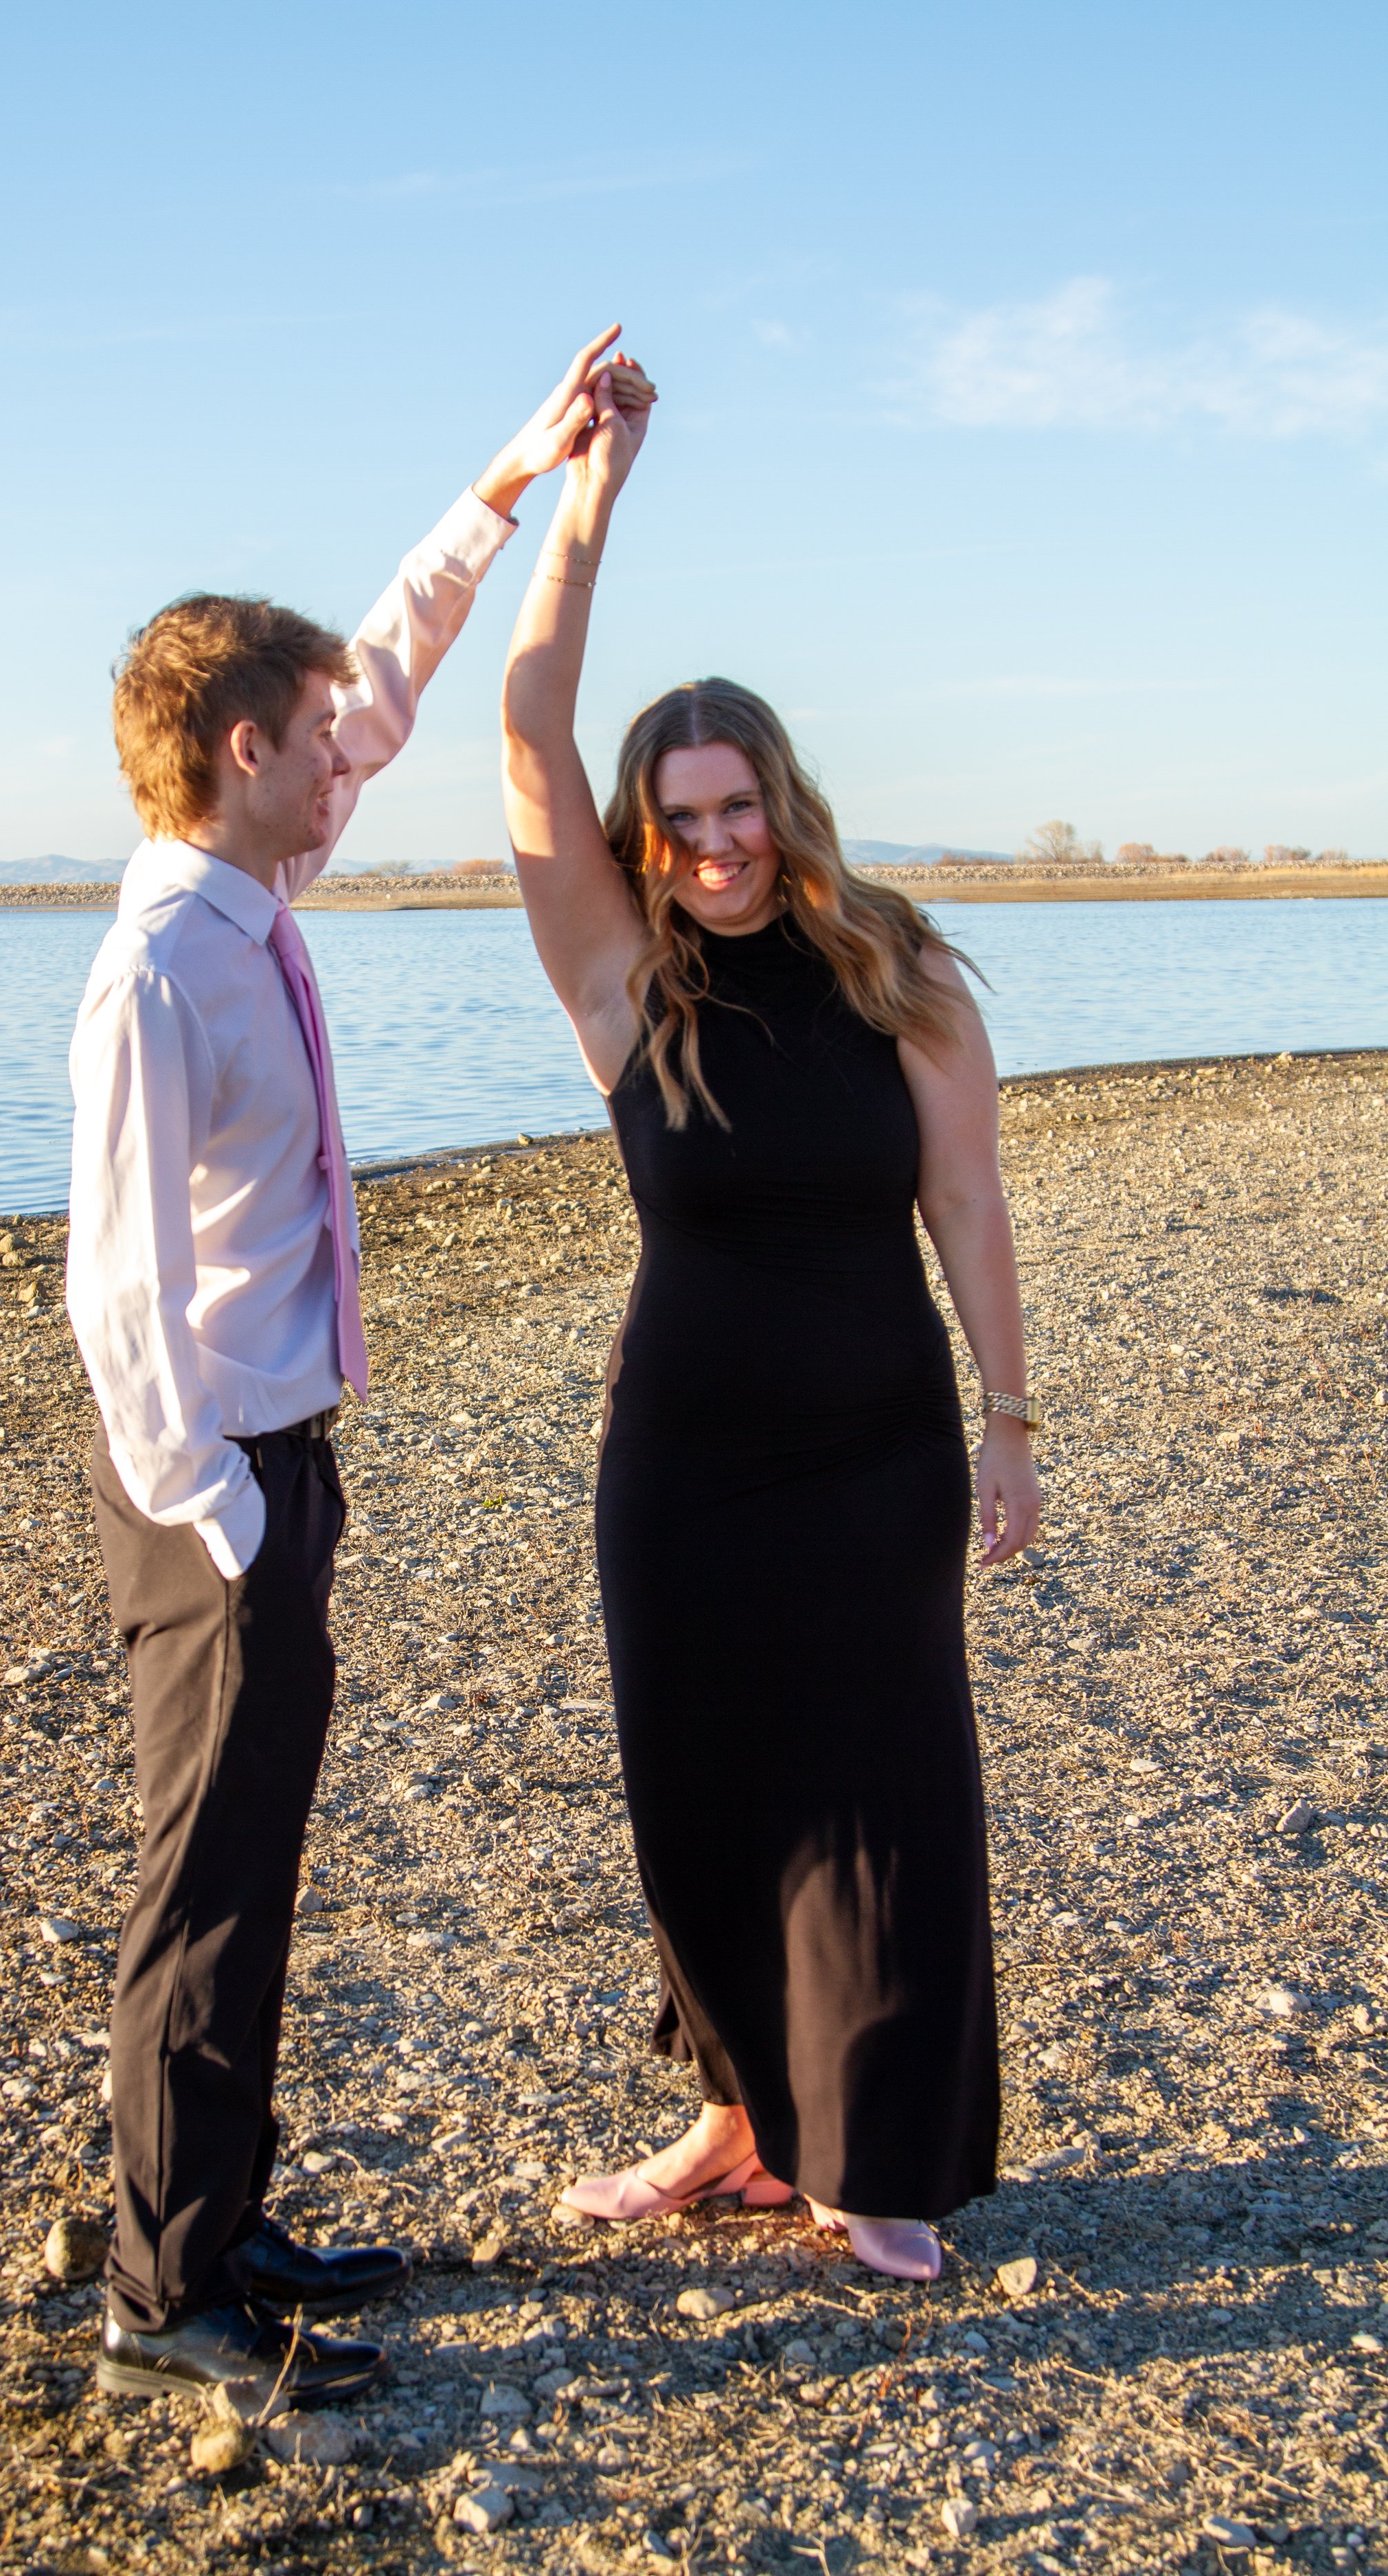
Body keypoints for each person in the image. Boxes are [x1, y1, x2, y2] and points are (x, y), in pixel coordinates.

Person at [65, 330, 657, 2413]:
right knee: (203, 1880)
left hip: (272, 1461)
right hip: (211, 1479)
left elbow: (393, 658)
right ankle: (165, 2300)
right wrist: (227, 1511)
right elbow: (113, 1290)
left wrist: (510, 476)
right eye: (318, 734)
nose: (356, 751)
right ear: (240, 748)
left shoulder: (251, 892)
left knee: (258, 1858)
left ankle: (215, 2219)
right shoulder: (155, 966)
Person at [499, 365, 1041, 2281]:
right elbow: (525, 723)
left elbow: (964, 1199)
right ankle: (734, 2124)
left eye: (736, 807)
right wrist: (586, 492)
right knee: (703, 1784)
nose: (714, 843)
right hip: (683, 1465)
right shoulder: (619, 978)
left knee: (885, 1781)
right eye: (679, 817)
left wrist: (1009, 1414)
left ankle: (871, 2153)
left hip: (874, 1443)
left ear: (780, 799)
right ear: (644, 835)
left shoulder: (893, 965)